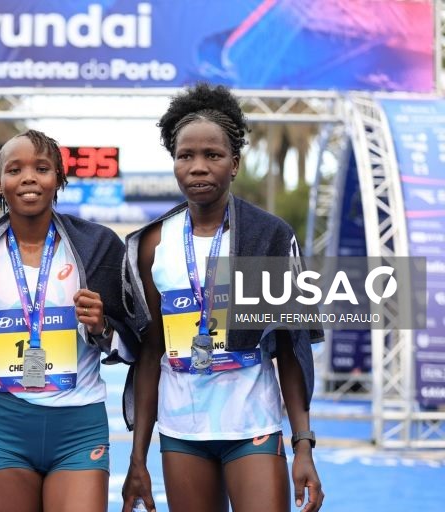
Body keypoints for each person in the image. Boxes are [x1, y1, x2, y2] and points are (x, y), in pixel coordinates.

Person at [120, 83, 325, 512]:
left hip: (253, 424)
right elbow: (150, 352)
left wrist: (302, 443)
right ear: (174, 163)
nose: (198, 167)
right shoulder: (153, 244)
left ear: (235, 163)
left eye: (212, 155)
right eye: (185, 156)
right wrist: (137, 457)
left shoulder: (265, 237)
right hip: (181, 431)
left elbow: (289, 346)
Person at [0, 129, 138, 512]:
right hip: (6, 427)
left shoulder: (97, 246)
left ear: (59, 178)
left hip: (79, 424)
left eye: (42, 168)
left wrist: (101, 327)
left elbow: (133, 341)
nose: (28, 178)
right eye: (15, 169)